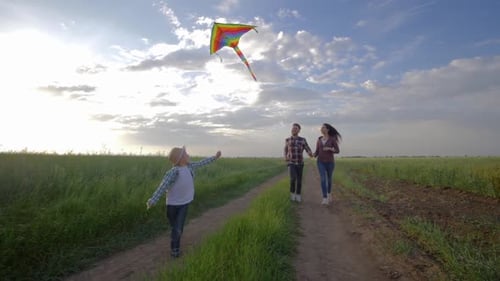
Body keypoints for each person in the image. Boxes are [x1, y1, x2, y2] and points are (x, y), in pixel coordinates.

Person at [146, 146, 221, 258]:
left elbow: (202, 163)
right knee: (174, 227)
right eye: (186, 154)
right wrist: (153, 200)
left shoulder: (189, 166)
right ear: (180, 159)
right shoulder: (173, 172)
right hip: (172, 205)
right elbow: (162, 187)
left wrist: (214, 157)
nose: (188, 155)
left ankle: (175, 250)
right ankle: (175, 238)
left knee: (178, 228)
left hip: (184, 204)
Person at [284, 123, 313, 202]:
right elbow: (286, 149)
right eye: (293, 128)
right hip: (291, 162)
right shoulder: (288, 139)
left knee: (299, 180)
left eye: (296, 128)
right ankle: (292, 194)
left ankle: (298, 195)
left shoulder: (302, 140)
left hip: (300, 162)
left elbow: (307, 148)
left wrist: (310, 153)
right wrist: (285, 156)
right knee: (293, 178)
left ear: (299, 130)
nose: (293, 129)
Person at [313, 123, 341, 205]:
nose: (322, 129)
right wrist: (312, 154)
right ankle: (324, 198)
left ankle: (329, 194)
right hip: (320, 162)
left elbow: (337, 150)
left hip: (330, 162)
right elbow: (317, 151)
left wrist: (330, 148)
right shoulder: (319, 139)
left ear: (328, 129)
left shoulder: (332, 139)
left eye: (324, 127)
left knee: (329, 179)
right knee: (323, 179)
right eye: (321, 128)